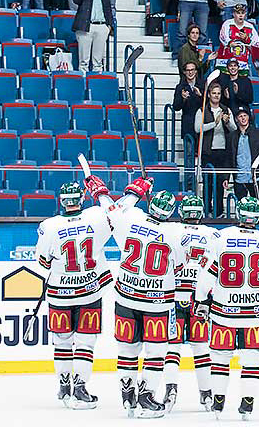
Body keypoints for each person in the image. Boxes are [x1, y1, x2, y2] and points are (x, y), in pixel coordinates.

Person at [195, 196, 259, 419]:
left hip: (223, 311)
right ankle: (247, 403)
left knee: (219, 357)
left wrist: (201, 300)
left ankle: (218, 401)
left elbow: (206, 275)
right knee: (252, 360)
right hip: (255, 313)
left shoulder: (220, 237)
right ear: (258, 217)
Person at [35, 179, 123, 409]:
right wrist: (101, 192)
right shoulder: (95, 216)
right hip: (89, 292)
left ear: (61, 201)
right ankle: (80, 387)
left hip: (59, 294)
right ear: (82, 198)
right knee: (85, 343)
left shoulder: (49, 225)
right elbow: (116, 214)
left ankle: (64, 385)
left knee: (62, 342)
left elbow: (43, 262)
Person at [104, 179, 185, 418]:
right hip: (157, 302)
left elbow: (113, 211)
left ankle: (127, 394)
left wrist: (134, 192)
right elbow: (177, 267)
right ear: (170, 211)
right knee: (156, 352)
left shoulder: (132, 219)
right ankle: (146, 396)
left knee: (127, 350)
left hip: (126, 297)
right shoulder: (174, 233)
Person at [162, 194, 217, 411]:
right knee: (201, 348)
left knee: (171, 347)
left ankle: (171, 390)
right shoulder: (213, 234)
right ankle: (206, 394)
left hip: (173, 297)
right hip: (199, 299)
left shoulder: (170, 230)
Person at [195, 82, 233, 217]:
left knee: (220, 182)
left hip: (223, 152)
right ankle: (207, 210)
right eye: (214, 93)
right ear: (209, 95)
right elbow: (197, 128)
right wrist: (214, 123)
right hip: (208, 152)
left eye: (218, 93)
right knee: (208, 183)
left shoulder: (226, 110)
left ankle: (219, 211)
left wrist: (227, 122)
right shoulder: (202, 110)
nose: (216, 95)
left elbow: (234, 129)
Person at [223, 104, 259, 203]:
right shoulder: (231, 136)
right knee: (240, 207)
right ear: (236, 119)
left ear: (249, 117)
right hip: (239, 178)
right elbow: (228, 158)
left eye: (245, 115)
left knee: (257, 206)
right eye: (240, 116)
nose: (243, 118)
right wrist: (226, 177)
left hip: (255, 178)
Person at [72, 0, 112, 71]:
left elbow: (108, 6)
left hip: (102, 26)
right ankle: (83, 85)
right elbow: (76, 0)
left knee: (98, 62)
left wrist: (109, 25)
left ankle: (97, 84)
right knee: (83, 61)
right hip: (86, 26)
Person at [173, 61, 205, 152]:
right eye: (188, 70)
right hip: (188, 125)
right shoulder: (180, 87)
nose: (190, 72)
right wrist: (183, 99)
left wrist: (200, 96)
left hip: (202, 124)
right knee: (189, 154)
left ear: (196, 71)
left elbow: (209, 104)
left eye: (192, 70)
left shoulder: (203, 84)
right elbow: (176, 107)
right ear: (184, 72)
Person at [219, 2, 259, 68]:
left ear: (245, 14)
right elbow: (222, 37)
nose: (240, 15)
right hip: (227, 59)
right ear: (233, 14)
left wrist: (247, 39)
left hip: (243, 60)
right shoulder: (227, 24)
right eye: (238, 13)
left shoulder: (250, 26)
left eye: (242, 13)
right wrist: (230, 43)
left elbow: (256, 42)